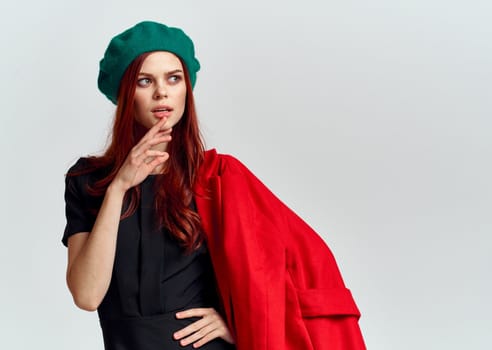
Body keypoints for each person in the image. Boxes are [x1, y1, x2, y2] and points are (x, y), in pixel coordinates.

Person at [62, 21, 366, 350]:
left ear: (186, 89)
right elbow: (87, 295)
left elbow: (301, 265)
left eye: (173, 78)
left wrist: (236, 322)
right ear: (124, 93)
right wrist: (119, 186)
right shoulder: (88, 180)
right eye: (144, 80)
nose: (161, 92)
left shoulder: (217, 178)